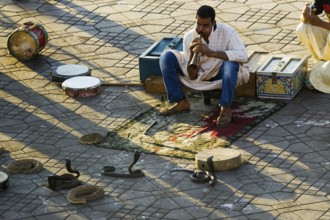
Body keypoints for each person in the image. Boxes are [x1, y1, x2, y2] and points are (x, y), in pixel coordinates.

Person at [158, 5, 249, 127]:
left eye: (205, 26)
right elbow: (191, 76)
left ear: (213, 23)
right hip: (200, 76)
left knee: (231, 64)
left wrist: (210, 53)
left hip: (220, 73)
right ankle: (181, 102)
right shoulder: (189, 36)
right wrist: (191, 55)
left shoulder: (227, 31)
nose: (200, 29)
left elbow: (243, 55)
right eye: (198, 24)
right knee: (166, 57)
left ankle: (225, 109)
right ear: (195, 19)